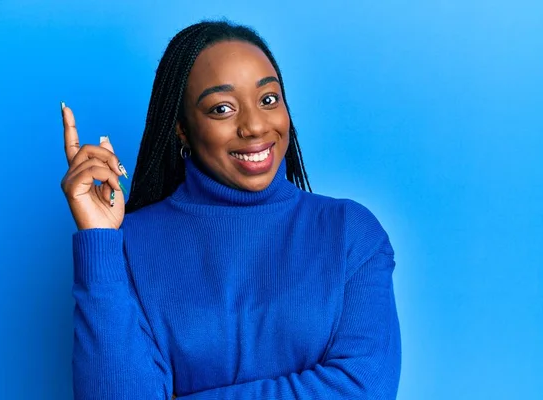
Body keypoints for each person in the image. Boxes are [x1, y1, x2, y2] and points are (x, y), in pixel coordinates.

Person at [60, 20, 401, 399]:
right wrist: (99, 240)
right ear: (182, 129)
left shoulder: (350, 232)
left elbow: (363, 389)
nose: (254, 126)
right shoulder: (125, 247)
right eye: (222, 108)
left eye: (268, 99)